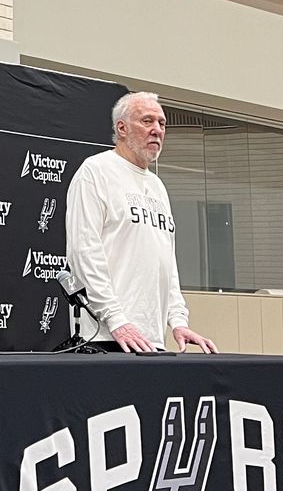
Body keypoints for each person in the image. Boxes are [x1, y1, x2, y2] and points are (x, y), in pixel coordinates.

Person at [63, 91, 218, 354]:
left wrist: (178, 321)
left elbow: (167, 263)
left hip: (151, 340)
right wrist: (116, 318)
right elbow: (84, 252)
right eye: (147, 121)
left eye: (162, 123)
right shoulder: (95, 171)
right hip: (107, 338)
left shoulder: (157, 186)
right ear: (121, 128)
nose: (157, 130)